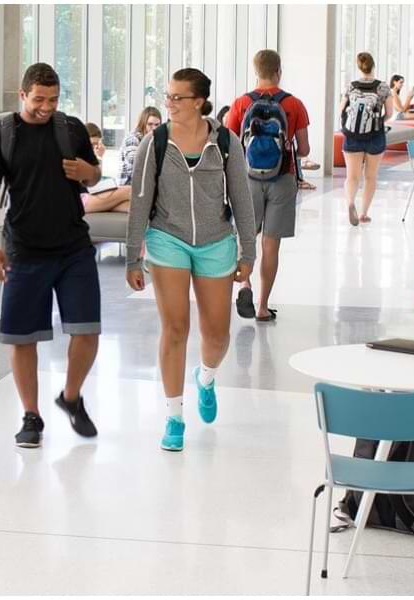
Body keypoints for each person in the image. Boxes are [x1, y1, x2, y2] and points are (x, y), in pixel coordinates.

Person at [123, 68, 257, 452]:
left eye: (177, 98)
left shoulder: (227, 142)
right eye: (167, 96)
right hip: (168, 239)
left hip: (216, 241)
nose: (169, 104)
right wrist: (134, 256)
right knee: (176, 328)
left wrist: (248, 250)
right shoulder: (156, 142)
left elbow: (242, 201)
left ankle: (207, 377)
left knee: (217, 334)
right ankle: (174, 416)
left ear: (199, 101)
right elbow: (140, 200)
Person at [0, 62, 105, 448]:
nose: (46, 106)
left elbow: (95, 175)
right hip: (24, 250)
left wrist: (87, 171)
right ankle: (31, 415)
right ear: (22, 94)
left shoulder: (71, 129)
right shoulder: (2, 136)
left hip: (74, 249)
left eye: (53, 99)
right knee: (21, 337)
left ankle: (70, 397)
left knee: (88, 331)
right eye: (38, 99)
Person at [223, 49, 311, 323]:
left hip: (247, 181)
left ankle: (245, 285)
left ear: (255, 71)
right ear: (279, 71)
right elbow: (305, 149)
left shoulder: (240, 104)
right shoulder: (294, 104)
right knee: (271, 246)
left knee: (245, 239)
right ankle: (262, 306)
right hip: (282, 179)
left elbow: (229, 146)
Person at [340, 52, 391, 227]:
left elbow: (341, 110)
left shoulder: (351, 86)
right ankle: (363, 213)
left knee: (352, 177)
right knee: (370, 177)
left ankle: (350, 202)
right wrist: (378, 123)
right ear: (373, 66)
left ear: (359, 66)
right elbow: (390, 114)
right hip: (375, 136)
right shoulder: (383, 87)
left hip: (352, 135)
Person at [82, 121, 132, 214]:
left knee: (127, 204)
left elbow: (96, 183)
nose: (95, 147)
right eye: (92, 144)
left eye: (97, 144)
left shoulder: (88, 157)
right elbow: (93, 185)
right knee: (129, 190)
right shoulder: (79, 158)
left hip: (88, 197)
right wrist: (98, 158)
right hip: (81, 200)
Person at [118, 107, 162, 186]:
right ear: (143, 123)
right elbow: (135, 166)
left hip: (145, 186)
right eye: (150, 124)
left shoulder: (154, 139)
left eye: (157, 125)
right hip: (129, 186)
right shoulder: (133, 138)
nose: (154, 128)